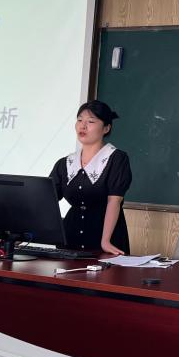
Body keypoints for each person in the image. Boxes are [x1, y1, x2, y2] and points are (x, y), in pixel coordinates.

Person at [49, 100, 132, 255]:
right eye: (80, 120)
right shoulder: (64, 163)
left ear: (106, 128)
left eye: (91, 121)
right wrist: (23, 233)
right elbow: (45, 200)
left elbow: (114, 201)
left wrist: (105, 241)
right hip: (70, 239)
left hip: (105, 239)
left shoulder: (116, 159)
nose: (83, 126)